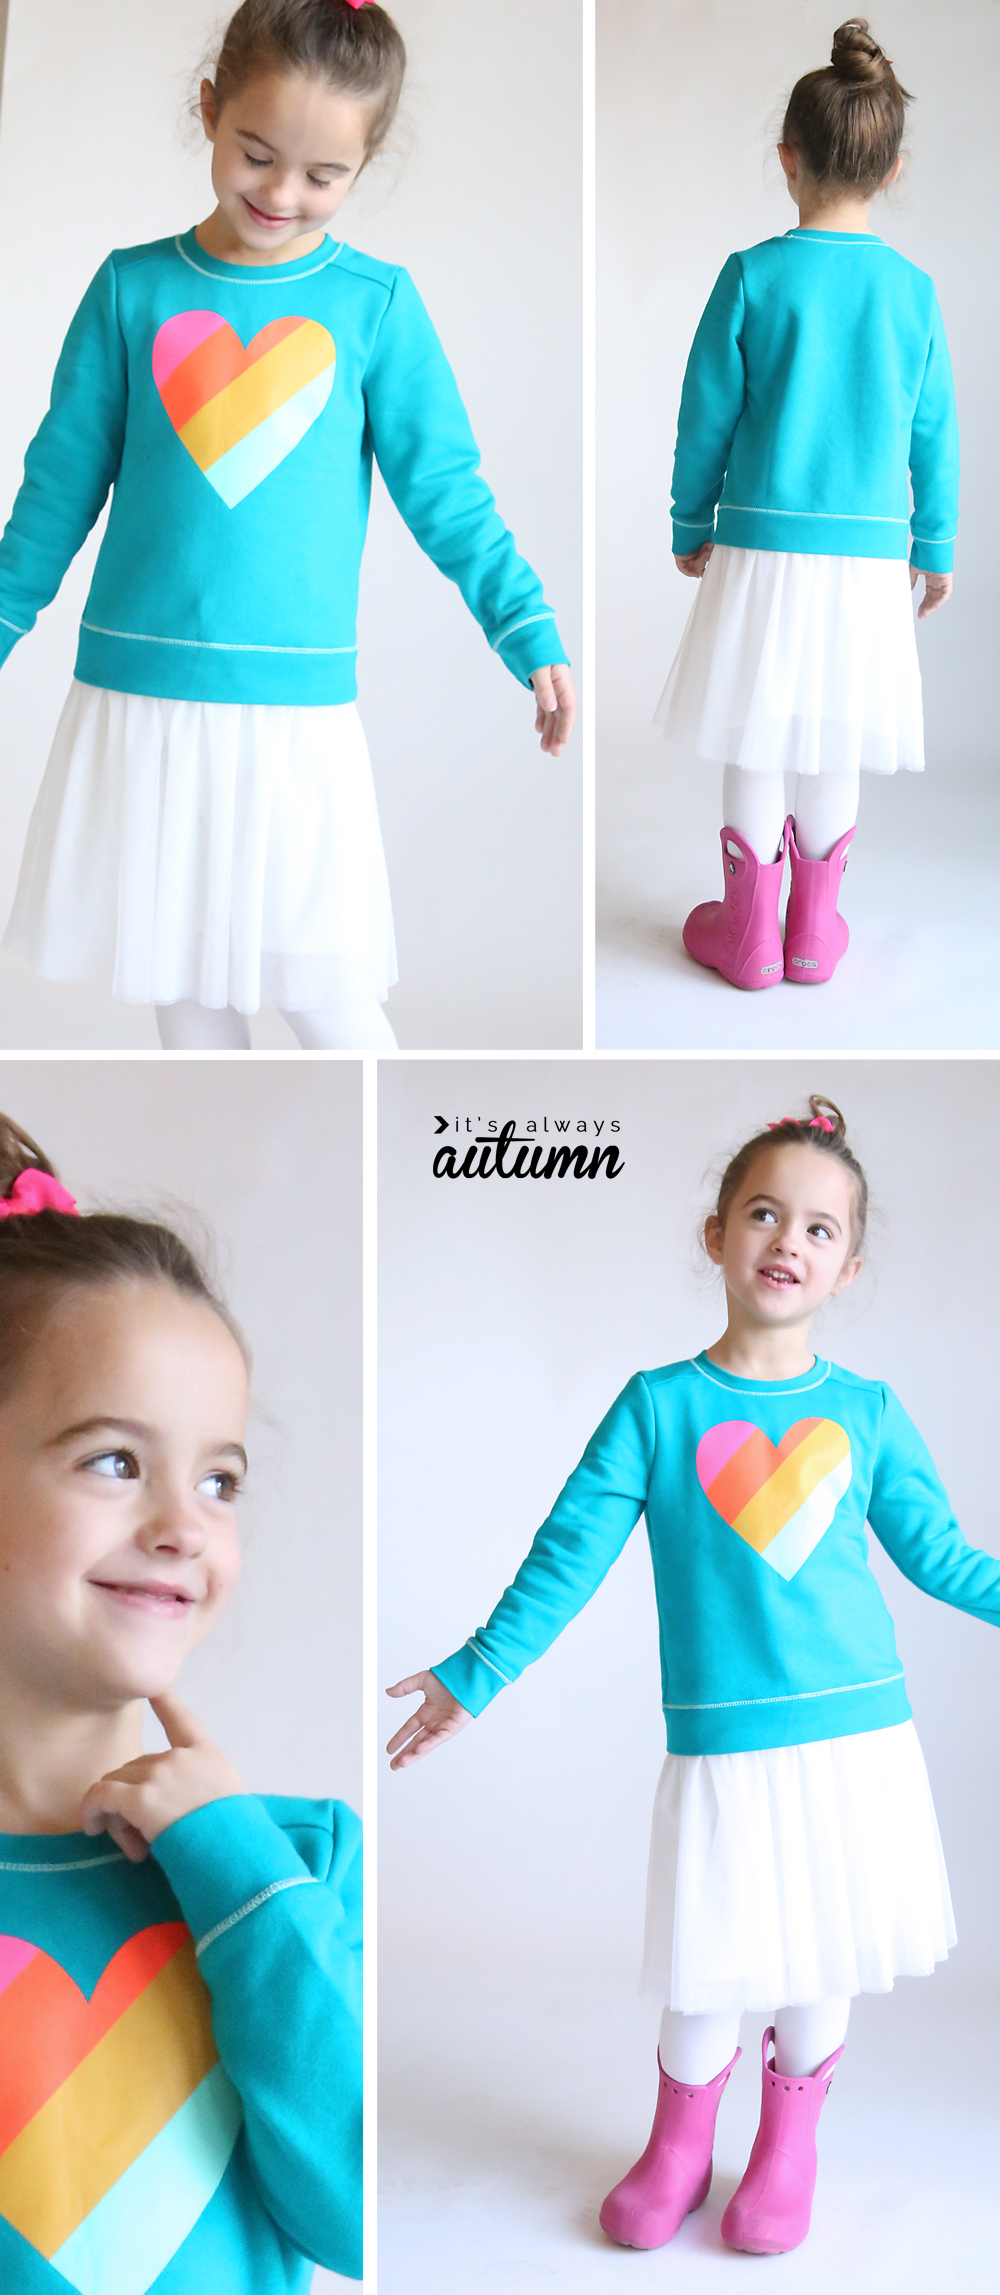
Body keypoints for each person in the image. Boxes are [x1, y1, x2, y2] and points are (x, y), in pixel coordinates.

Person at [387, 1097, 999, 2256]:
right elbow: (565, 1556)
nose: (788, 1240)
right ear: (712, 1234)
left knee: (822, 1951)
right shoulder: (658, 1407)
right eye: (763, 1213)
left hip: (857, 1736)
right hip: (723, 1743)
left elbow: (944, 1559)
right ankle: (677, 2144)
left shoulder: (867, 1414)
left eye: (820, 1229)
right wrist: (474, 1673)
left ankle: (787, 2147)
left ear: (848, 1266)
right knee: (710, 1960)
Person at [0, 0, 575, 1050]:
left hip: (291, 713)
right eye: (257, 155)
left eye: (323, 175)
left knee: (324, 993)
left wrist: (525, 628)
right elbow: (58, 487)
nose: (282, 195)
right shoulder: (131, 289)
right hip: (142, 697)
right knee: (186, 992)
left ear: (369, 159)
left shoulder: (375, 306)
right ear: (209, 111)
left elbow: (446, 492)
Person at [0, 1115, 361, 2287]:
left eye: (220, 1479)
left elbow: (357, 2209)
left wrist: (240, 1880)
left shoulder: (295, 1867)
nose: (184, 1525)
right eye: (114, 1461)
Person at [654, 20, 957, 989]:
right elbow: (933, 434)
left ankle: (745, 937)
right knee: (833, 731)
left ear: (786, 160)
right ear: (893, 168)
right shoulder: (912, 293)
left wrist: (688, 521)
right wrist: (935, 545)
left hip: (760, 547)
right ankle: (813, 934)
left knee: (756, 727)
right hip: (868, 560)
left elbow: (704, 416)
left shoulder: (752, 275)